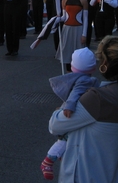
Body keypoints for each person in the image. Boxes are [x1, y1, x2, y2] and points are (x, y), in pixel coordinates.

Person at [48, 32, 118, 182]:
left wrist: (60, 108)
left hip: (86, 176)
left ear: (105, 64)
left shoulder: (97, 99)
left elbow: (55, 125)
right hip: (116, 175)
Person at [41, 48, 99, 180]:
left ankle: (60, 155)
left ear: (73, 67)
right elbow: (75, 94)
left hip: (76, 110)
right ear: (93, 68)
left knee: (71, 138)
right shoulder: (85, 80)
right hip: (73, 111)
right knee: (66, 138)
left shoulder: (81, 78)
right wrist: (69, 107)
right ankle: (49, 160)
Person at [55, 0, 89, 72]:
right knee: (67, 54)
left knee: (78, 55)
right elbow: (64, 17)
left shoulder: (83, 1)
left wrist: (84, 34)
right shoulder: (64, 1)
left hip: (78, 29)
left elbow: (86, 19)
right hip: (67, 29)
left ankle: (78, 74)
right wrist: (56, 20)